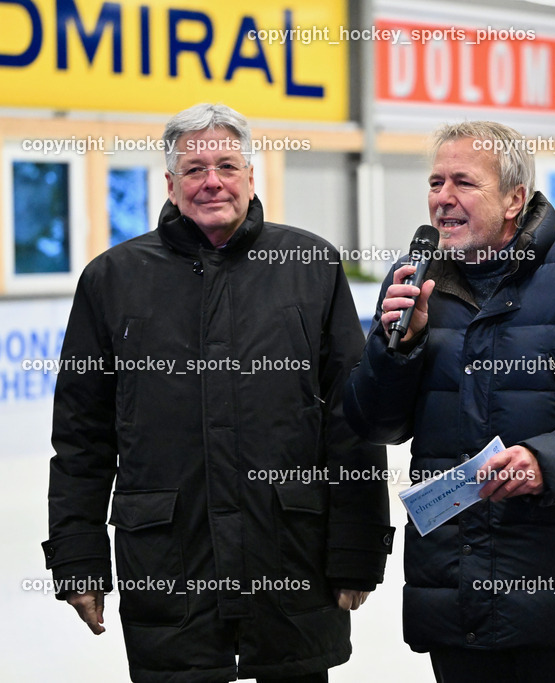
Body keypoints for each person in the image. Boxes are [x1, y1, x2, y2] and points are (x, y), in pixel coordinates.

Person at [42, 103, 394, 683]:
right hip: (168, 560)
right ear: (170, 183)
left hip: (290, 556)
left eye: (227, 165)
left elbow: (349, 422)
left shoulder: (310, 266)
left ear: (251, 177)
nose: (212, 181)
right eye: (194, 168)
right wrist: (77, 559)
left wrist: (357, 549)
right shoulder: (113, 279)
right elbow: (82, 436)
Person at [344, 121, 555, 683]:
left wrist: (546, 460)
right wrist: (397, 347)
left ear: (514, 199)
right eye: (435, 182)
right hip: (454, 593)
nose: (442, 198)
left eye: (463, 183)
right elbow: (375, 422)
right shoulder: (414, 283)